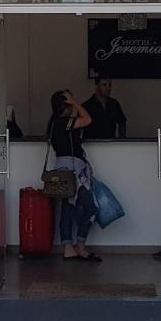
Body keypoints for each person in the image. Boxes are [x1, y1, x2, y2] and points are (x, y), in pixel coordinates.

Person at [47, 89, 101, 261]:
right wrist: (75, 102)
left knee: (67, 209)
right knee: (92, 207)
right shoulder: (65, 122)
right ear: (65, 104)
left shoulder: (54, 123)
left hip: (61, 169)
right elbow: (88, 119)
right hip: (74, 170)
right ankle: (80, 244)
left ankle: (68, 247)